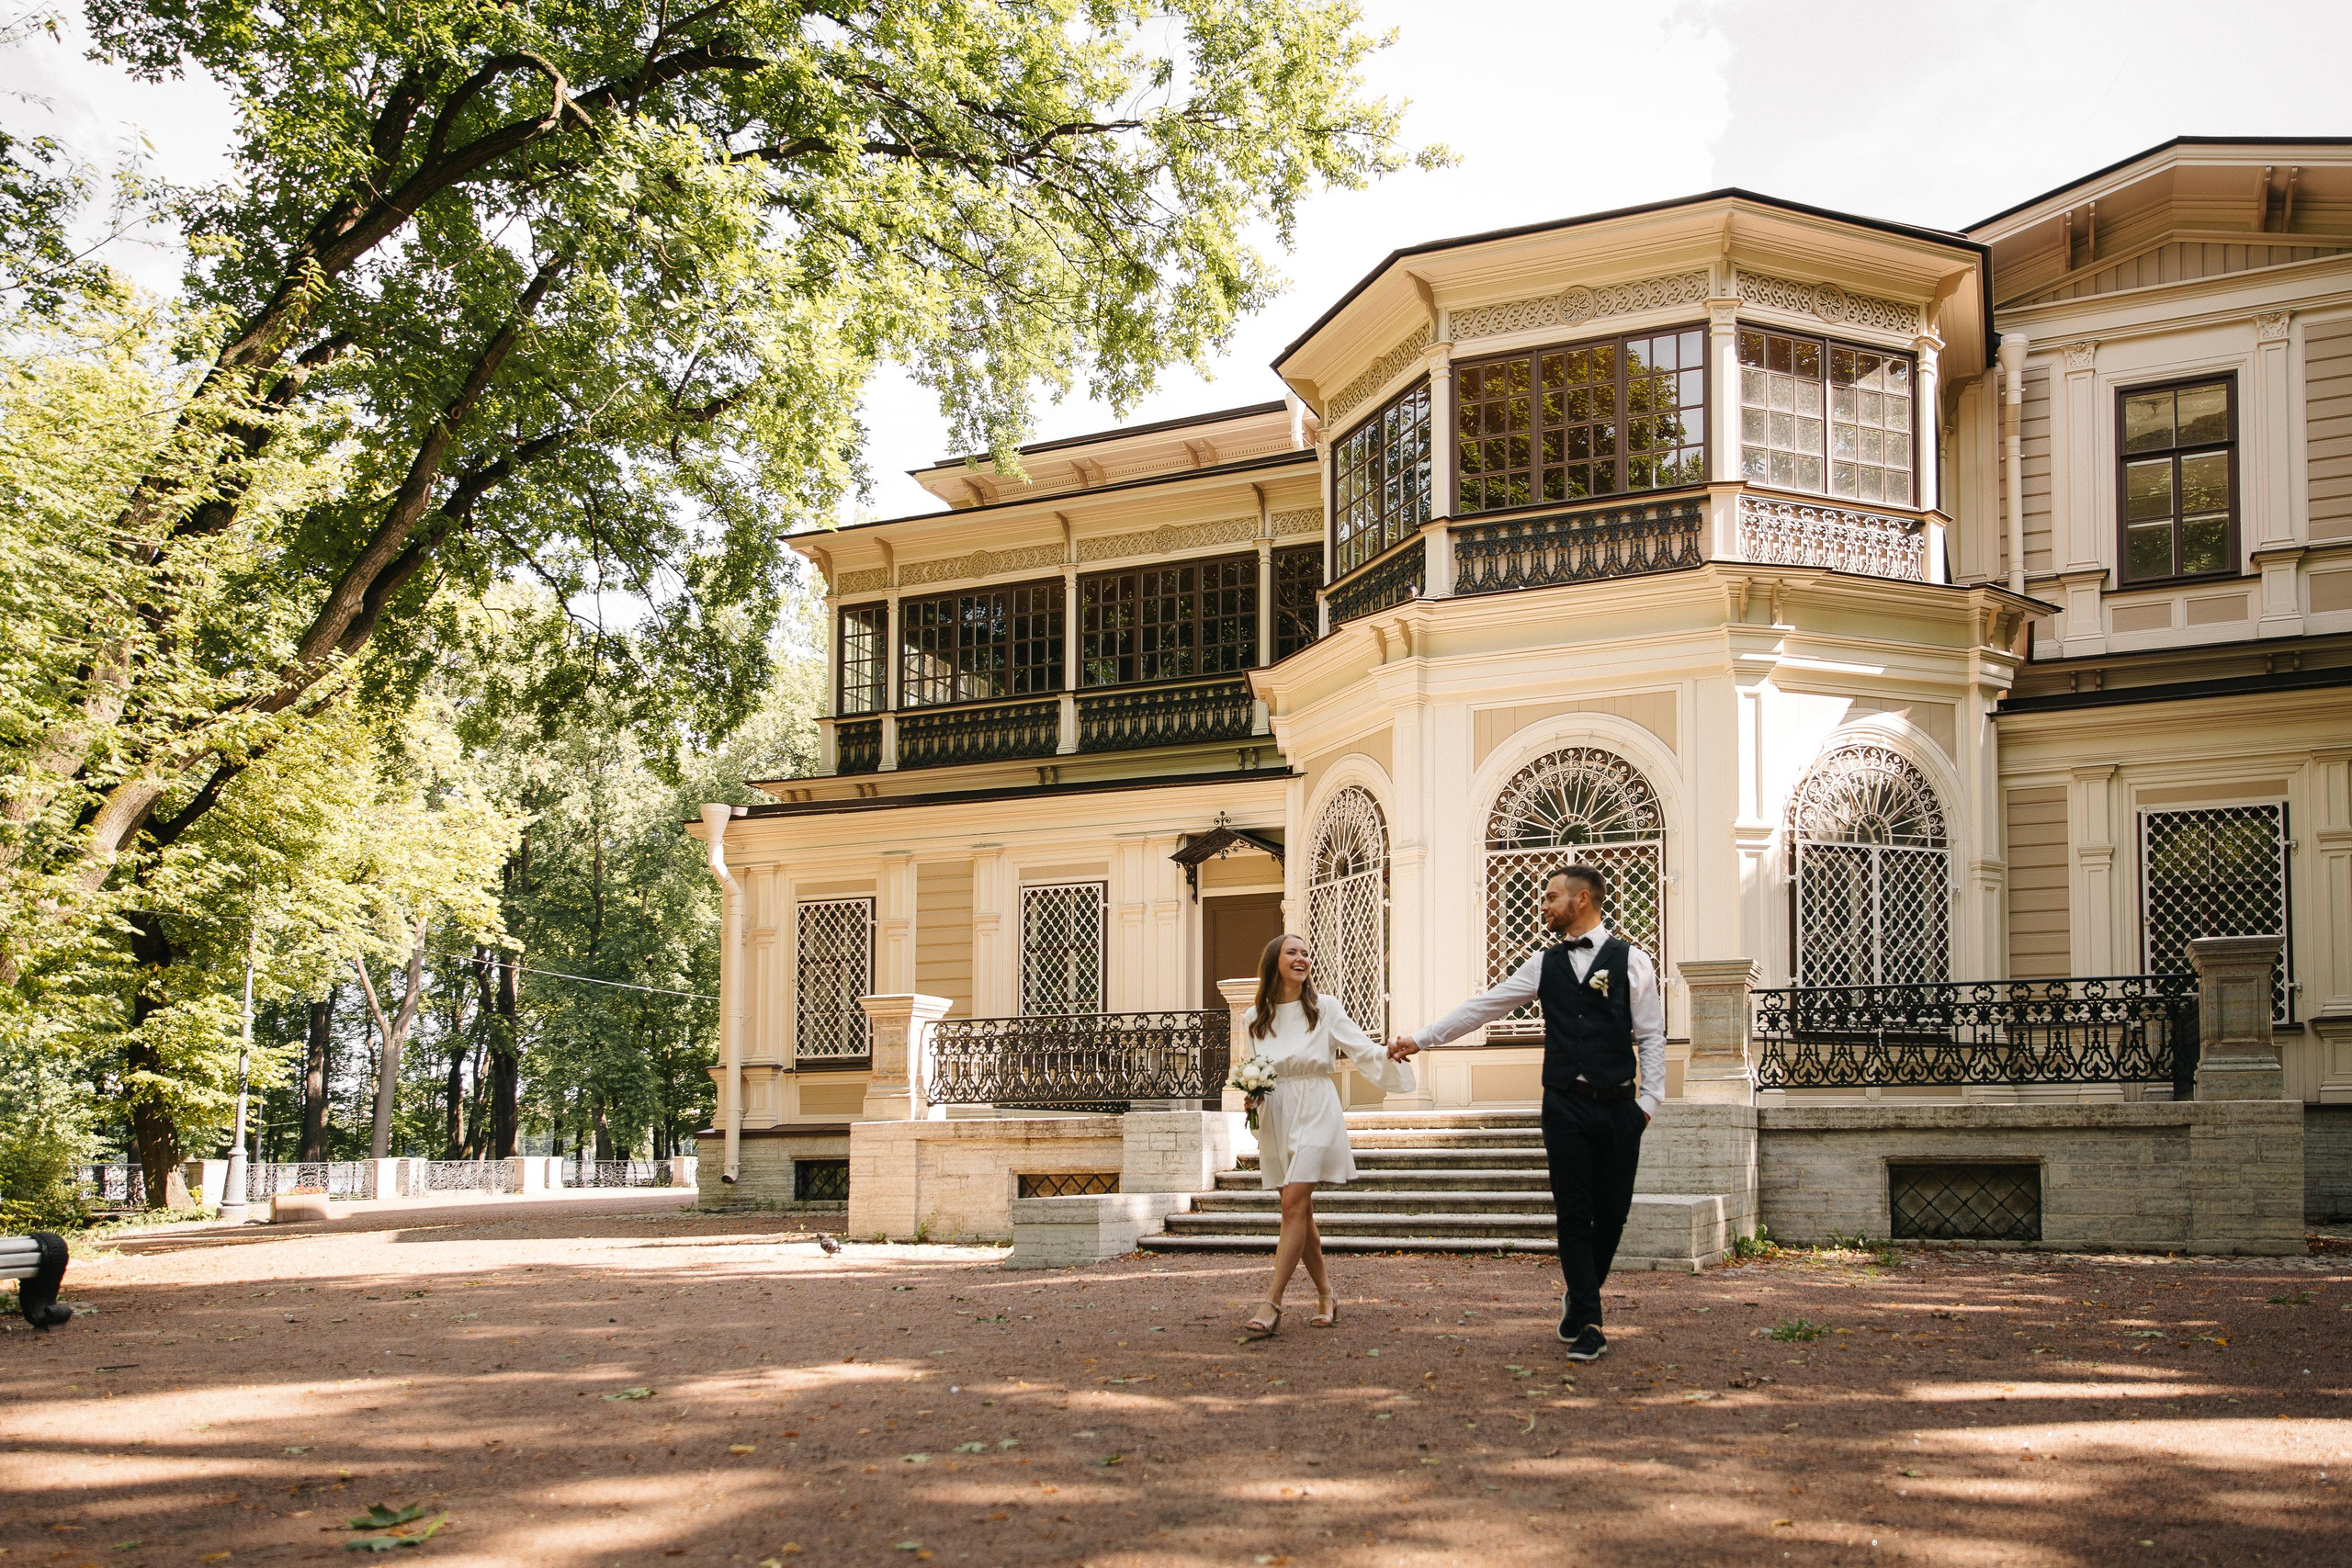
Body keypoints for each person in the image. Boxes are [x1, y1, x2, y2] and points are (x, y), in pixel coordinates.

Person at [1388, 863, 1664, 1362]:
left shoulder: (1633, 961)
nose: (1544, 906)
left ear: (1581, 901)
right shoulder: (1542, 964)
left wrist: (1649, 1103)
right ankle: (1591, 1320)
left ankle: (1579, 1298)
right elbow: (1484, 1007)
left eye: (1551, 897)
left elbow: (1651, 1037)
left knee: (1613, 1215)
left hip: (1621, 1106)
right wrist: (1421, 1039)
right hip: (1563, 1105)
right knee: (1574, 1212)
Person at [1236, 931, 1415, 1337]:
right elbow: (1255, 1066)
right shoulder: (1254, 1018)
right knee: (1300, 1211)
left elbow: (1361, 1048)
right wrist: (1253, 1097)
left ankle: (1272, 1302)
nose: (1301, 958)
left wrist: (1390, 1053)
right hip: (1277, 1111)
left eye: (1305, 953)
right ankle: (1326, 1293)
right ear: (1273, 962)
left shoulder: (1324, 1008)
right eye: (1292, 952)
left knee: (1293, 1204)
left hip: (1316, 1105)